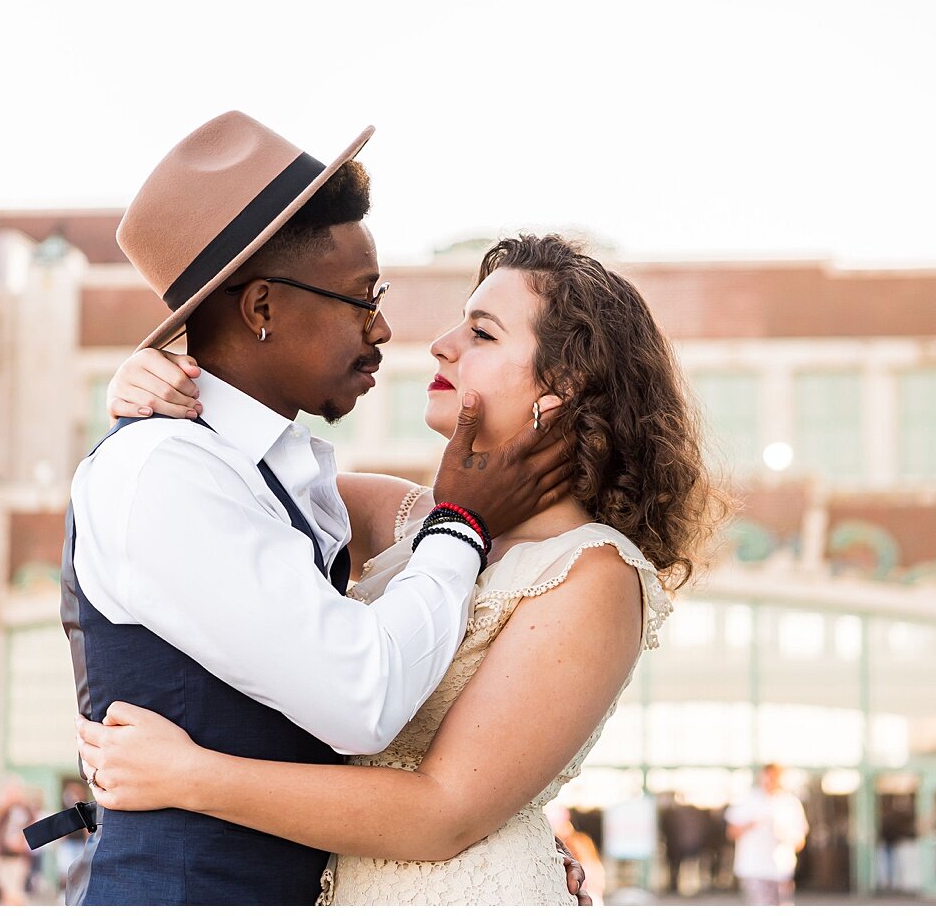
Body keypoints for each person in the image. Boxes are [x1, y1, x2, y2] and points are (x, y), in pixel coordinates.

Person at [77, 233, 726, 904]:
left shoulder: (593, 576)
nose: (440, 344)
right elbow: (230, 480)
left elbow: (442, 812)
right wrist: (161, 384)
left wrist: (191, 777)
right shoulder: (412, 519)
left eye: (482, 333)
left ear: (562, 385)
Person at [43, 112, 573, 905]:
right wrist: (460, 526)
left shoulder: (283, 474)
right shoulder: (166, 472)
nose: (387, 328)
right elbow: (363, 698)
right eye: (363, 298)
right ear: (261, 308)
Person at [725, 764, 809, 906]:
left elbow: (800, 841)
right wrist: (751, 825)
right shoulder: (747, 799)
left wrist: (785, 835)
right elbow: (731, 832)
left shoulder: (790, 803)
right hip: (753, 870)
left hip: (781, 870)